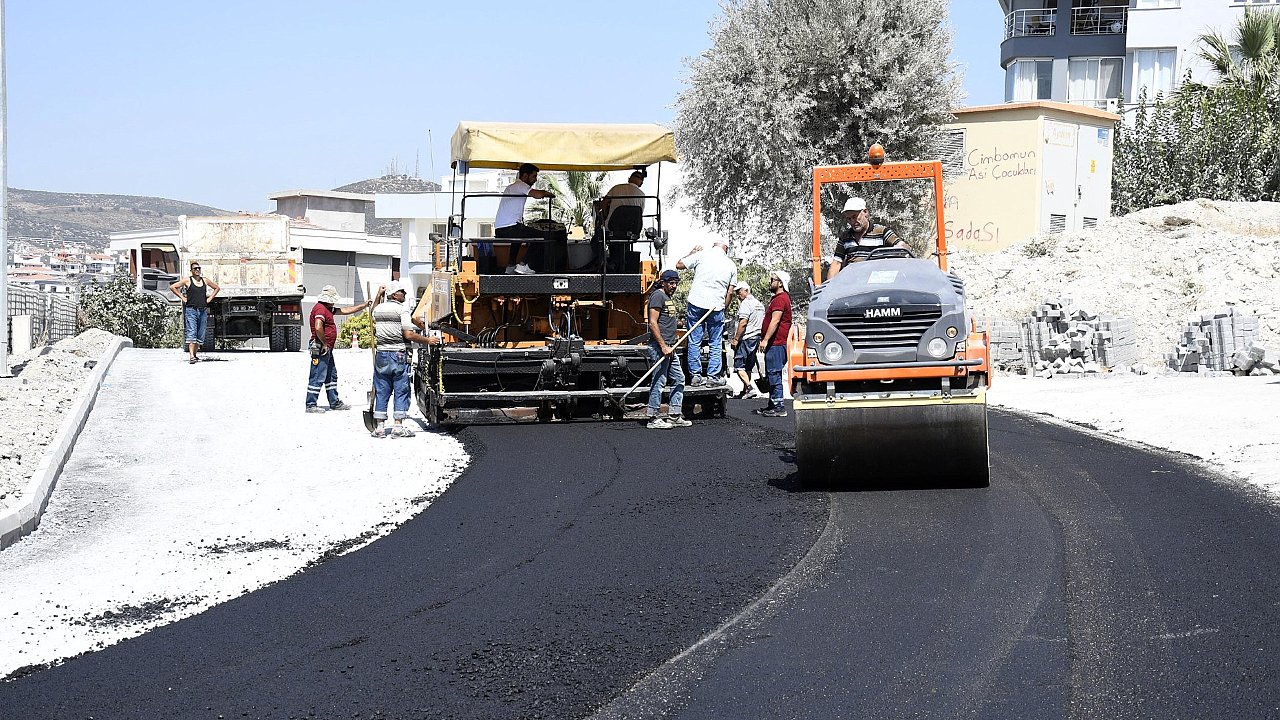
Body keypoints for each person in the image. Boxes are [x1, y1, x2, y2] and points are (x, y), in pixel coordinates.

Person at [369, 281, 440, 438]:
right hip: (399, 354)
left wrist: (378, 295)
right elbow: (408, 335)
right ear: (395, 295)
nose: (405, 294)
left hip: (381, 354)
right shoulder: (402, 310)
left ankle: (380, 427)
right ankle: (398, 427)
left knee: (382, 389)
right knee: (401, 389)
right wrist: (428, 340)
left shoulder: (379, 309)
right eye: (402, 292)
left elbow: (372, 311)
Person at [675, 240, 737, 386]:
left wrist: (691, 253)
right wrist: (723, 307)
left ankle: (695, 376)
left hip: (696, 303)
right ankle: (713, 377)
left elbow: (679, 264)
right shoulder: (731, 265)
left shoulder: (702, 255)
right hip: (716, 306)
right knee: (715, 342)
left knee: (694, 340)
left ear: (713, 246)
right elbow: (730, 292)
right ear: (726, 249)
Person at [306, 285, 372, 413]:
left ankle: (334, 402)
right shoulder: (320, 309)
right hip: (321, 348)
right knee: (317, 375)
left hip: (327, 348)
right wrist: (324, 343)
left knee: (331, 375)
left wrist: (363, 305)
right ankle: (311, 404)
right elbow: (318, 327)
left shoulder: (328, 309)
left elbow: (346, 310)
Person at [643, 270, 691, 430]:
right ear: (663, 282)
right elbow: (653, 322)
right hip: (660, 348)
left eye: (676, 283)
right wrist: (663, 346)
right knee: (659, 380)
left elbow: (665, 320)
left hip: (671, 347)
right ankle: (653, 417)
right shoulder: (657, 295)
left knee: (679, 378)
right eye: (671, 283)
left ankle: (675, 415)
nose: (674, 286)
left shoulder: (668, 298)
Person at [494, 162, 556, 275]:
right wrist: (549, 194)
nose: (535, 179)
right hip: (509, 227)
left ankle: (511, 266)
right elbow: (537, 195)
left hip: (501, 228)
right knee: (542, 236)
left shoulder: (513, 187)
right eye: (534, 176)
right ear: (525, 176)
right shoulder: (520, 185)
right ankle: (524, 265)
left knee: (519, 236)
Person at [829, 197, 909, 279]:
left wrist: (900, 248)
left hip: (877, 280)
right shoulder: (845, 237)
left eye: (855, 217)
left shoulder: (882, 232)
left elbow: (905, 247)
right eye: (849, 219)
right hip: (854, 281)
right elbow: (836, 263)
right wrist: (830, 287)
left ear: (865, 212)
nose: (852, 222)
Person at [583, 169, 646, 271]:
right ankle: (615, 263)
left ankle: (603, 261)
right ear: (641, 183)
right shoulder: (642, 195)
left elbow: (603, 205)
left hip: (612, 228)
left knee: (596, 240)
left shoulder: (617, 188)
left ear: (629, 179)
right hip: (630, 231)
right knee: (621, 243)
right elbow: (639, 214)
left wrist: (603, 214)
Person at [755, 270, 793, 418]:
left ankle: (778, 406)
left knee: (774, 374)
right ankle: (772, 404)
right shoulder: (778, 298)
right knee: (772, 374)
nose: (770, 282)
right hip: (775, 343)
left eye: (773, 280)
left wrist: (765, 339)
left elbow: (775, 321)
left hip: (777, 344)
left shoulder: (780, 299)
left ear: (780, 283)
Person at [170, 261, 220, 364]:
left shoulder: (205, 280)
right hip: (191, 310)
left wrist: (209, 299)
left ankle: (195, 355)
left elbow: (216, 288)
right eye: (195, 268)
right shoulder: (188, 281)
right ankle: (191, 356)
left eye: (199, 268)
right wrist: (182, 297)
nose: (197, 270)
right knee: (192, 332)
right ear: (191, 271)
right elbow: (173, 287)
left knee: (200, 333)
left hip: (203, 310)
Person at [729, 282, 766, 399]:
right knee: (748, 366)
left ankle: (750, 388)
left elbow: (743, 323)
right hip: (756, 337)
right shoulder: (759, 304)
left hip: (746, 338)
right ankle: (745, 391)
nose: (738, 296)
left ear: (745, 290)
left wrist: (736, 339)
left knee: (739, 365)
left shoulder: (746, 304)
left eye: (739, 292)